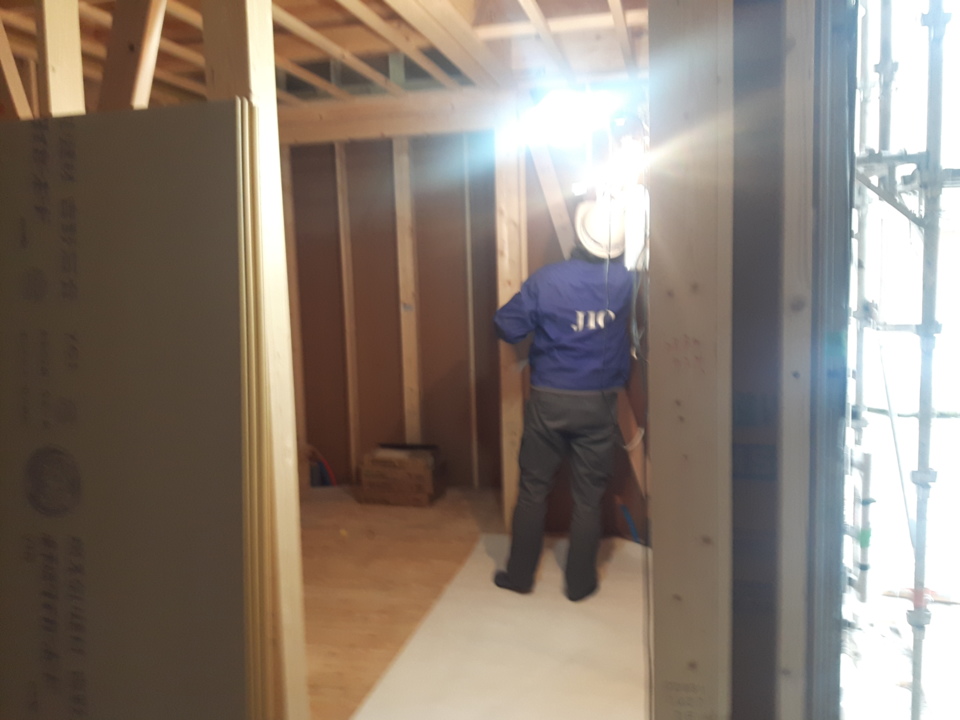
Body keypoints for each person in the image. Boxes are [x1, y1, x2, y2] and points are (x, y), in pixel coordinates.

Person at [493, 194, 635, 601]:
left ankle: (520, 576)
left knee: (533, 489)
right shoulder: (625, 281)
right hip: (599, 402)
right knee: (588, 498)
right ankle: (580, 583)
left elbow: (506, 326)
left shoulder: (547, 280)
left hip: (550, 400)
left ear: (579, 234)